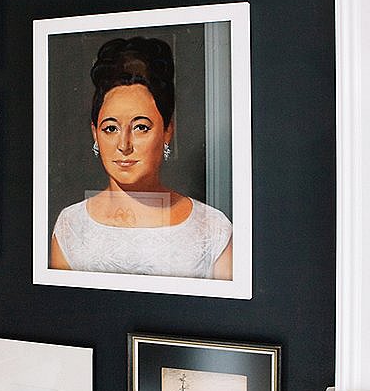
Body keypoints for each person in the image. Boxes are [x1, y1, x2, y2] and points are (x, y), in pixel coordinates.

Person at [49, 36, 233, 279]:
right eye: (111, 128)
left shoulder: (211, 227)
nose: (124, 145)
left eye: (141, 127)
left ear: (168, 131)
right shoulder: (71, 226)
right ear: (95, 133)